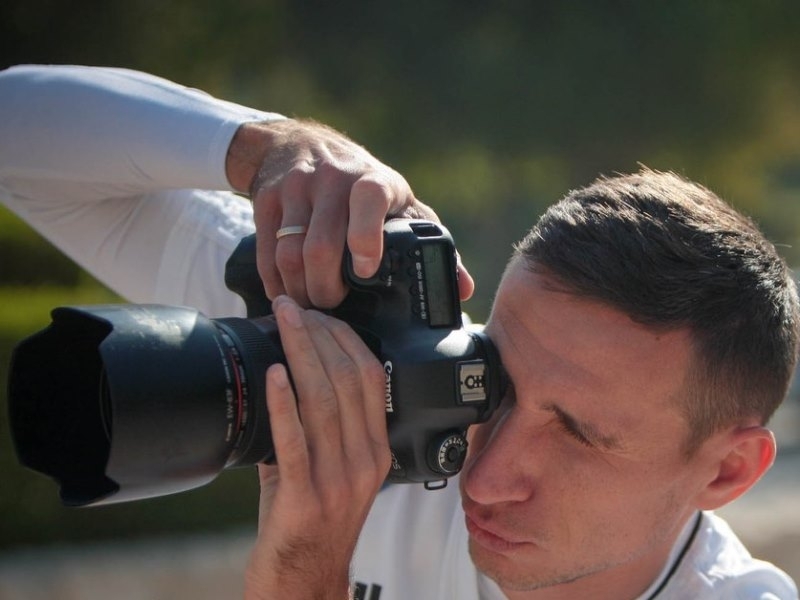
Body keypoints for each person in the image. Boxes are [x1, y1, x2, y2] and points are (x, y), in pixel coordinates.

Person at [0, 65, 797, 600]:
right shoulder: (380, 384)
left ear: (728, 470)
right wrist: (264, 148)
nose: (484, 477)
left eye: (581, 434)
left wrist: (306, 574)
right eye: (490, 378)